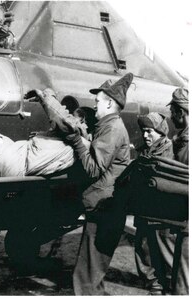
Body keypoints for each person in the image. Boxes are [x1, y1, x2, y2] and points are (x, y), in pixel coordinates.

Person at [64, 73, 133, 295]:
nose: (95, 106)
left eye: (98, 102)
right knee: (94, 269)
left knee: (86, 274)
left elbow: (93, 168)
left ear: (110, 103)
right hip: (106, 203)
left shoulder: (111, 128)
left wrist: (76, 141)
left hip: (105, 205)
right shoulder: (108, 125)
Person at [133, 112, 174, 295]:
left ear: (160, 131)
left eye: (149, 131)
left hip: (161, 210)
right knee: (143, 246)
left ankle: (169, 283)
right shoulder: (143, 151)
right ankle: (153, 282)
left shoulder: (170, 151)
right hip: (143, 207)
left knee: (164, 248)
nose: (145, 135)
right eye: (143, 131)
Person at [167, 87, 188, 295]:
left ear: (180, 112)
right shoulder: (181, 138)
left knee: (184, 284)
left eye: (173, 112)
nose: (171, 117)